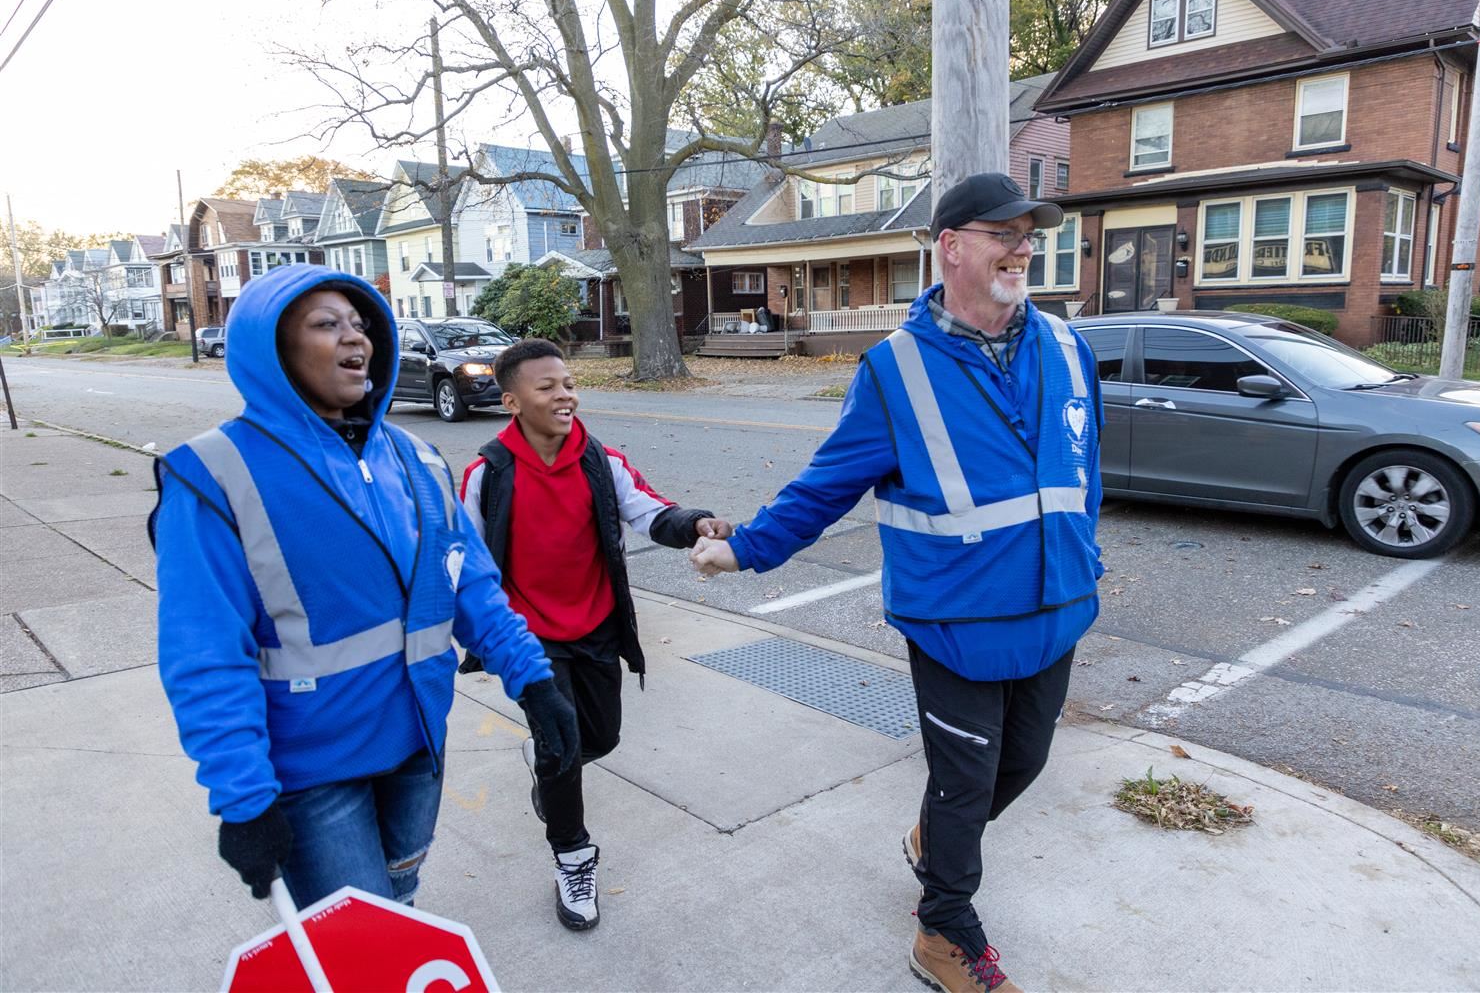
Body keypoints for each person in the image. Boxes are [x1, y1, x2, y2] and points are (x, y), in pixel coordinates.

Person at [691, 173, 1104, 993]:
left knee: (1025, 762)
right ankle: (944, 932)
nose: (1025, 248)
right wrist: (749, 550)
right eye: (1005, 234)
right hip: (955, 618)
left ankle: (932, 842)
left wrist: (1085, 555)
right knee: (965, 783)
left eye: (1031, 235)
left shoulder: (1066, 344)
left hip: (1057, 609)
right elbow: (827, 483)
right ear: (952, 247)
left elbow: (1088, 470)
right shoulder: (896, 369)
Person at [150, 265, 579, 910]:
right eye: (327, 325)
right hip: (312, 768)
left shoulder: (416, 457)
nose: (356, 339)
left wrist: (535, 681)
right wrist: (242, 796)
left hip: (416, 741)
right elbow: (204, 650)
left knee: (399, 902)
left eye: (360, 324)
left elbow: (471, 585)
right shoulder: (213, 474)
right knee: (358, 943)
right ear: (274, 350)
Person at [457, 338, 729, 932]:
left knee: (598, 740)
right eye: (547, 387)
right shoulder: (488, 473)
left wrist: (697, 523)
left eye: (569, 384)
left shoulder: (599, 461)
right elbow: (467, 562)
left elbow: (650, 511)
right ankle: (573, 858)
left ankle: (549, 756)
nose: (565, 395)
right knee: (561, 746)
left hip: (596, 626)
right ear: (511, 401)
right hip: (527, 639)